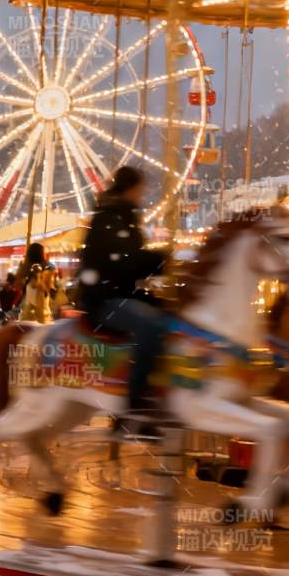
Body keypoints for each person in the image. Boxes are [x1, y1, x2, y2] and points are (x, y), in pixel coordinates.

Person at [78, 166, 168, 422]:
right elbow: (124, 262)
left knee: (168, 317)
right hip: (102, 299)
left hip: (120, 293)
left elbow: (131, 262)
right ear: (131, 188)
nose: (143, 193)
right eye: (141, 188)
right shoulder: (108, 218)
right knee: (149, 324)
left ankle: (159, 389)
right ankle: (134, 404)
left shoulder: (124, 217)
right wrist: (160, 258)